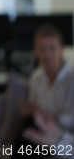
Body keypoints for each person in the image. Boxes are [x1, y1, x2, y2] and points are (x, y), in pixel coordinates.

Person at [14, 24, 74, 158]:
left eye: (52, 48)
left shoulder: (71, 78)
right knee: (22, 138)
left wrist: (48, 116)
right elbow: (36, 114)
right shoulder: (35, 78)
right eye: (42, 49)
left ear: (61, 50)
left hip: (63, 133)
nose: (47, 54)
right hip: (42, 128)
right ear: (35, 51)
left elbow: (70, 121)